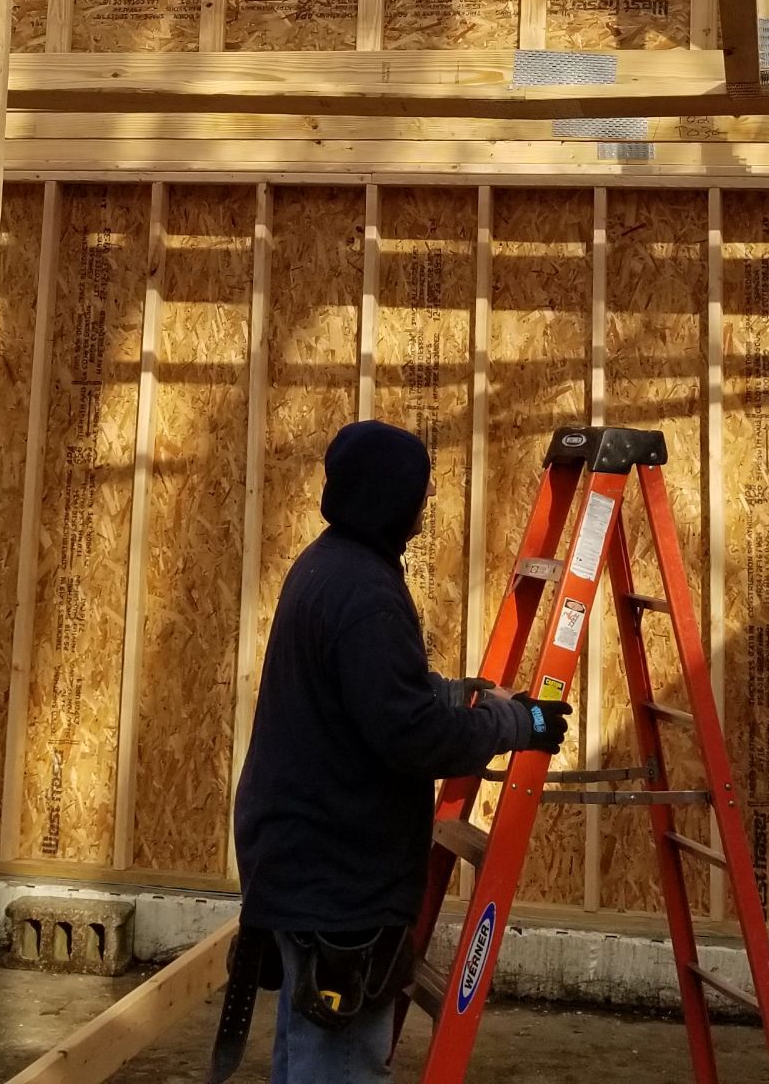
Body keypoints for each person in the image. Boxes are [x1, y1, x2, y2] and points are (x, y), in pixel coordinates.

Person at [221, 420, 569, 1084]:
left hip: (299, 863)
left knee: (305, 1055)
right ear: (391, 500)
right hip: (338, 882)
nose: (425, 504)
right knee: (339, 1067)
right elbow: (412, 738)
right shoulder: (367, 597)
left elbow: (373, 692)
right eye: (419, 492)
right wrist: (516, 724)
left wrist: (458, 693)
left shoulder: (328, 566)